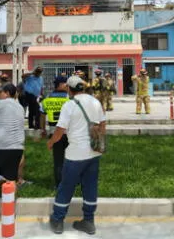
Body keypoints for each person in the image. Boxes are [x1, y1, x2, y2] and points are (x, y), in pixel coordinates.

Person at [48, 76, 106, 235]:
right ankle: (89, 221)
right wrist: (97, 141)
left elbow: (60, 131)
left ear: (69, 89)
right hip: (94, 153)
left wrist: (51, 142)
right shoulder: (95, 102)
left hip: (75, 155)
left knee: (66, 186)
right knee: (90, 186)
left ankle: (58, 220)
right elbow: (102, 125)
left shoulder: (69, 105)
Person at [40, 76, 71, 188]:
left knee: (58, 160)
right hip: (69, 134)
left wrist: (43, 130)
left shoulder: (47, 99)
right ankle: (72, 181)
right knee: (71, 159)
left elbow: (42, 116)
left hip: (54, 134)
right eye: (66, 84)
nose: (67, 86)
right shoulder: (70, 99)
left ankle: (59, 184)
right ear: (60, 85)